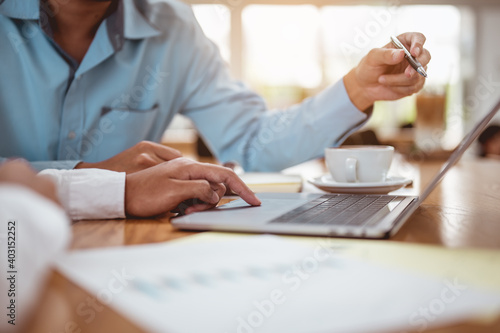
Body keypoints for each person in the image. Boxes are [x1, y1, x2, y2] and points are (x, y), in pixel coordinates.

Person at [0, 0, 431, 175]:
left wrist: (357, 89)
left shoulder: (172, 27)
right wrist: (98, 182)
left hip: (121, 255)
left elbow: (249, 143)